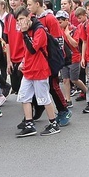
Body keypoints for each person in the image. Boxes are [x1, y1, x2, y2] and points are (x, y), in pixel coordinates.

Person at [14, 7, 60, 137]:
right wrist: (23, 61)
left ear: (29, 17)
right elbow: (26, 51)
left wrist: (23, 33)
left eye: (22, 19)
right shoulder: (27, 31)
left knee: (43, 97)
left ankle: (53, 123)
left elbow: (33, 49)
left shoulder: (39, 30)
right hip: (29, 69)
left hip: (39, 69)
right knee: (24, 96)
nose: (20, 22)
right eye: (18, 20)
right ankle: (29, 123)